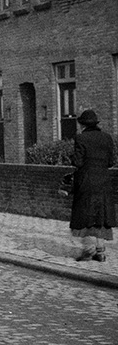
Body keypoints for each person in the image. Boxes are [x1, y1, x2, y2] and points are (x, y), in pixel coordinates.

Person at [70, 109, 115, 262]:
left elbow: (78, 162)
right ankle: (101, 252)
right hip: (103, 182)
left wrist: (72, 157)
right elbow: (111, 162)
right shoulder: (107, 138)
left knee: (85, 215)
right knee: (101, 216)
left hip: (86, 182)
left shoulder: (81, 138)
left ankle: (88, 250)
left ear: (82, 124)